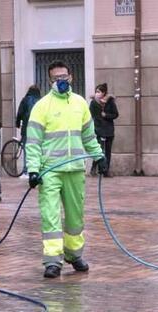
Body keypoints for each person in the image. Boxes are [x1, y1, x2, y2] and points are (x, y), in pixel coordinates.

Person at [25, 60, 105, 279]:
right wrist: (33, 170)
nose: (61, 81)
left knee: (75, 217)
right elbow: (32, 141)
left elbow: (89, 135)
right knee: (50, 216)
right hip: (49, 170)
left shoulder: (80, 104)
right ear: (50, 80)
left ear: (71, 77)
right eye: (56, 78)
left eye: (64, 77)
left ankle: (73, 255)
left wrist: (99, 157)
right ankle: (52, 260)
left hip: (75, 170)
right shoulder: (42, 106)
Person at [89, 83, 118, 177]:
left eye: (99, 91)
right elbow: (90, 114)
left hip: (109, 130)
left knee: (108, 151)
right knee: (99, 150)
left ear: (104, 93)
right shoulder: (93, 103)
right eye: (96, 91)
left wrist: (106, 115)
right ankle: (94, 168)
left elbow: (115, 114)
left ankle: (106, 170)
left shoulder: (110, 102)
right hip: (98, 129)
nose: (97, 93)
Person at [15, 85, 42, 177]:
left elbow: (20, 112)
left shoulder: (25, 100)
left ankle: (26, 171)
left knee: (28, 149)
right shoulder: (41, 101)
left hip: (27, 127)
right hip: (39, 128)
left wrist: (17, 123)